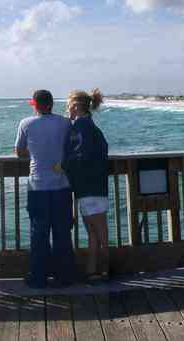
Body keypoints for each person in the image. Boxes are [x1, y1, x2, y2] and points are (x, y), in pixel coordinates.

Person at [15, 89, 75, 289]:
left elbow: (19, 152)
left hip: (38, 186)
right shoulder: (65, 123)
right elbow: (71, 147)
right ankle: (64, 276)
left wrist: (34, 153)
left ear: (35, 104)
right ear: (52, 104)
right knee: (62, 233)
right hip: (62, 186)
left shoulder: (26, 123)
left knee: (38, 233)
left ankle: (38, 278)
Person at [55, 88, 109, 283]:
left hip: (89, 188)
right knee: (94, 234)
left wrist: (63, 165)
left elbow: (81, 155)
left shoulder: (81, 127)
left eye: (68, 105)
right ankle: (92, 271)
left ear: (76, 106)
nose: (67, 109)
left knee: (100, 235)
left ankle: (105, 269)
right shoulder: (90, 127)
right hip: (95, 186)